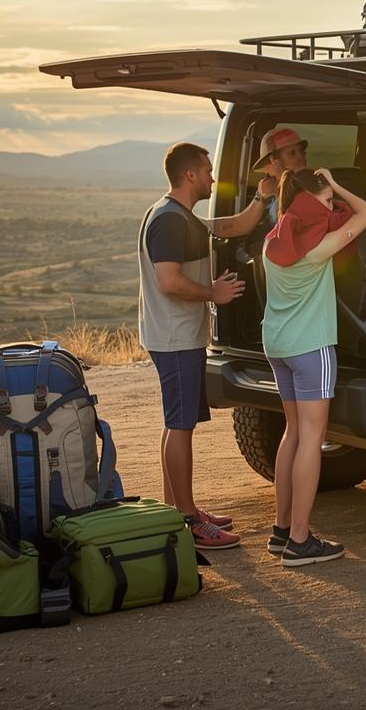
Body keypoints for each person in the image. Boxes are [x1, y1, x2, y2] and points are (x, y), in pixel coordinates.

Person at [139, 142, 275, 550]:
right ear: (190, 175)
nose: (214, 177)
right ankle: (187, 520)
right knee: (181, 427)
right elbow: (169, 281)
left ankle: (178, 511)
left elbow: (231, 227)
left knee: (175, 423)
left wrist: (261, 197)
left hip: (177, 336)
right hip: (175, 338)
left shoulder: (181, 217)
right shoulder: (169, 221)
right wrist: (212, 293)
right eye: (209, 170)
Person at [262, 166, 366, 566]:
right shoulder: (318, 248)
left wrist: (324, 193)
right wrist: (340, 186)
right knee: (313, 437)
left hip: (277, 345)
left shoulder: (272, 241)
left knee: (293, 432)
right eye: (325, 203)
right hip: (311, 347)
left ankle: (280, 531)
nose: (331, 209)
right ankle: (300, 540)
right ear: (310, 203)